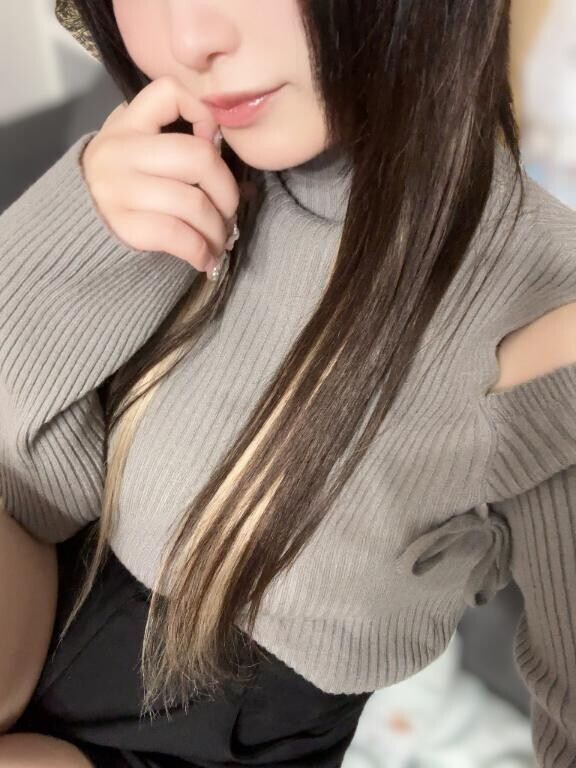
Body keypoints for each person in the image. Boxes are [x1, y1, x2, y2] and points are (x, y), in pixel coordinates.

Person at [1, 1, 575, 765]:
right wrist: (77, 230)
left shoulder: (540, 304)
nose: (189, 39)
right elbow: (30, 487)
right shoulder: (172, 159)